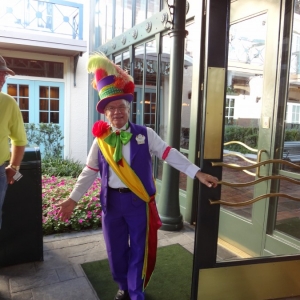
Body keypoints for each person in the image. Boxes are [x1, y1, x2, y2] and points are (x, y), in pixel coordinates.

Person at [57, 53, 218, 300]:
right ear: (105, 114)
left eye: (121, 107)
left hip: (137, 202)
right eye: (111, 108)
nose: (116, 112)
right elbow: (89, 172)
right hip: (111, 203)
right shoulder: (100, 141)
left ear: (128, 108)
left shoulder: (145, 134)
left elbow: (169, 153)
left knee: (139, 250)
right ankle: (123, 285)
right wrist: (73, 199)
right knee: (115, 250)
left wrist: (197, 173)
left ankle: (135, 291)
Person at [0, 55, 27, 229]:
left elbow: (19, 139)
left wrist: (14, 168)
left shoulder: (8, 103)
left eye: (4, 74)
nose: (2, 79)